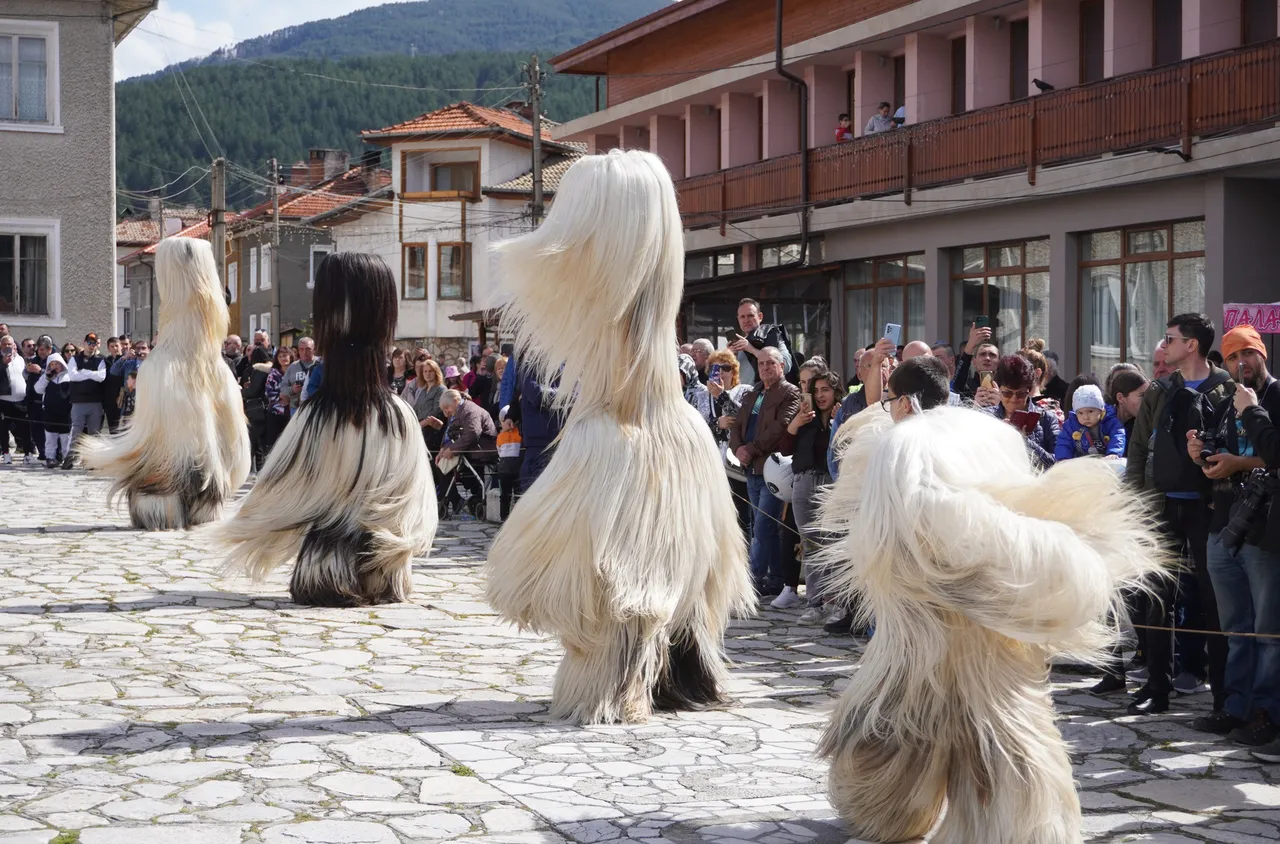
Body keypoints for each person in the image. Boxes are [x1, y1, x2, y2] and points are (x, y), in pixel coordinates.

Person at [815, 399, 1164, 843]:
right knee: (994, 720)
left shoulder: (901, 455)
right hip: (971, 607)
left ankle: (895, 807)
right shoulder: (969, 443)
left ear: (903, 403)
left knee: (918, 703)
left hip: (922, 605)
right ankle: (1017, 826)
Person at [483, 150, 753, 724]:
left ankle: (626, 679)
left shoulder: (600, 427)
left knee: (622, 580)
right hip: (665, 433)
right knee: (667, 579)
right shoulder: (672, 428)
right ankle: (678, 674)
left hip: (629, 433)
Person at [215, 252, 437, 607]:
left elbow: (276, 484)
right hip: (382, 565)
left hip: (321, 570)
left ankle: (336, 572)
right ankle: (378, 576)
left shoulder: (316, 418)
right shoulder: (399, 420)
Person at [80, 238, 251, 529]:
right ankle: (201, 503)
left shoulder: (160, 368)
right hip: (202, 364)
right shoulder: (216, 368)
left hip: (178, 365)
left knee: (167, 449)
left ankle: (162, 503)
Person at [1125, 312, 1233, 716]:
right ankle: (1157, 686)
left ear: (1191, 345)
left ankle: (1222, 696)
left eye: (1170, 339)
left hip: (1208, 508)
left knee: (1213, 598)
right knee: (1157, 596)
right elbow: (1137, 450)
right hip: (1161, 504)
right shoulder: (1160, 389)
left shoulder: (1226, 388)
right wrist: (1136, 505)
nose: (1164, 345)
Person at [1185, 325, 1280, 745]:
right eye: (1232, 357)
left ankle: (1266, 713)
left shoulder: (1269, 398)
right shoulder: (1226, 402)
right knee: (1236, 629)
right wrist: (1201, 454)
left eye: (1248, 354)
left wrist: (1249, 414)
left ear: (1262, 354)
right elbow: (1223, 454)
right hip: (1224, 525)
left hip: (1264, 532)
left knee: (1267, 630)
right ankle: (1235, 707)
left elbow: (1275, 454)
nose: (1241, 363)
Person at [729, 347, 802, 598]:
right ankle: (774, 578)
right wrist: (737, 448)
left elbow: (781, 428)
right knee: (759, 525)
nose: (765, 368)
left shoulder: (790, 393)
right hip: (750, 469)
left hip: (772, 470)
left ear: (782, 366)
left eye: (770, 363)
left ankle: (752, 579)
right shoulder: (754, 392)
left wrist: (750, 449)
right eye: (761, 364)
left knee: (763, 526)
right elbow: (737, 424)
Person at [786, 364, 841, 621]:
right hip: (803, 481)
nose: (820, 395)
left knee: (833, 541)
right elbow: (785, 447)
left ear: (835, 391)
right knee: (810, 543)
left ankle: (838, 601)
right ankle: (814, 602)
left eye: (825, 390)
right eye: (816, 390)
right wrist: (796, 423)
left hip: (830, 481)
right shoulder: (804, 415)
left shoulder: (842, 415)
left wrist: (836, 423)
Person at [984, 354, 1059, 470]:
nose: (1014, 399)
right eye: (1007, 393)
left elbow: (1057, 464)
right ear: (998, 389)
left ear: (1029, 391)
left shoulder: (1046, 419)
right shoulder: (986, 417)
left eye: (1021, 394)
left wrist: (1023, 441)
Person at [436, 388, 498, 516]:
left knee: (446, 466)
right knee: (439, 465)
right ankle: (454, 499)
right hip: (468, 448)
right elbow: (450, 432)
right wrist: (443, 449)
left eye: (446, 407)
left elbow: (472, 434)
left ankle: (454, 500)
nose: (446, 411)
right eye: (443, 409)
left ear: (455, 401)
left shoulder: (470, 410)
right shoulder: (457, 412)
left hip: (481, 449)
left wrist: (452, 449)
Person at [728, 298, 797, 385]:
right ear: (738, 320)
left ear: (760, 317)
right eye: (742, 317)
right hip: (744, 396)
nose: (746, 320)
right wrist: (730, 357)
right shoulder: (738, 346)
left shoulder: (772, 334)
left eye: (750, 315)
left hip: (770, 395)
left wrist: (752, 349)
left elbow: (786, 366)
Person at [1055, 384, 1125, 462]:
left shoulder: (1110, 422)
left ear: (1101, 409)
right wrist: (1063, 459)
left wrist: (1113, 452)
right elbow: (1063, 443)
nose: (1086, 417)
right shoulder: (1071, 425)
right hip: (1081, 464)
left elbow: (1118, 436)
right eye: (1080, 413)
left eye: (1090, 411)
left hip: (1106, 462)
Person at [35, 353, 72, 468]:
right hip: (50, 412)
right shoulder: (46, 377)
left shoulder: (68, 377)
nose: (55, 366)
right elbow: (38, 389)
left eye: (57, 364)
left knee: (66, 437)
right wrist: (46, 377)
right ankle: (50, 457)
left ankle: (67, 458)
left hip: (65, 412)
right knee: (50, 437)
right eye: (52, 364)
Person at [402, 354, 446, 452]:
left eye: (430, 371)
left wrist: (420, 424)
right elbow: (416, 409)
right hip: (420, 432)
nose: (428, 374)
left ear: (436, 372)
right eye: (425, 371)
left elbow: (437, 411)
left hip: (433, 433)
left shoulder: (441, 389)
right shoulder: (422, 389)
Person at [0, 334, 32, 464]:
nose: (7, 346)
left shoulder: (21, 359)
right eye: (5, 344)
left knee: (24, 429)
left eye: (10, 344)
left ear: (14, 346)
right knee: (3, 430)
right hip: (4, 401)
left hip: (20, 400)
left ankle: (28, 454)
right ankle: (6, 453)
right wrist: (3, 363)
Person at [951, 322, 999, 402]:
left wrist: (1000, 405)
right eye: (982, 354)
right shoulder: (966, 386)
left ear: (999, 362)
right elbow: (958, 378)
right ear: (974, 362)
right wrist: (971, 343)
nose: (987, 358)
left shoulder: (1006, 390)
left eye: (992, 355)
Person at [283, 337, 318, 416]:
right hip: (297, 408)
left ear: (314, 349)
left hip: (317, 408)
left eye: (308, 349)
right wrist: (292, 389)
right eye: (301, 349)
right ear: (298, 350)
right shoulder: (293, 367)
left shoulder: (321, 364)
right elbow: (282, 388)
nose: (305, 352)